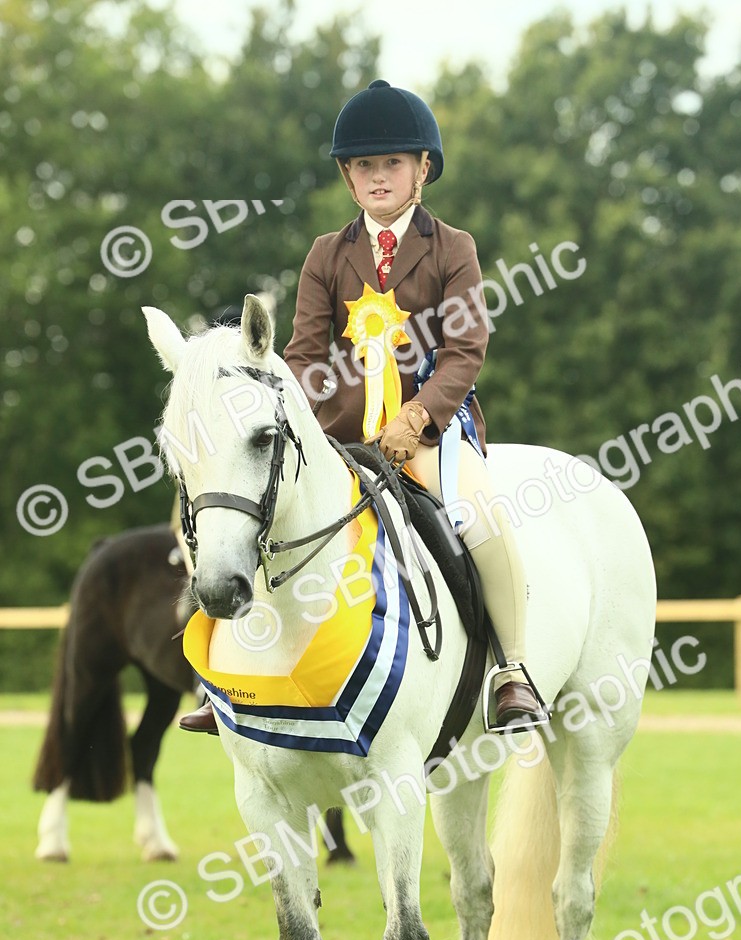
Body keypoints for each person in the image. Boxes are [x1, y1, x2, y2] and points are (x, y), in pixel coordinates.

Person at [180, 80, 549, 732]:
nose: (379, 178)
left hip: (430, 435)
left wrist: (418, 417)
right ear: (349, 178)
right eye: (365, 167)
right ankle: (231, 680)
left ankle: (512, 671)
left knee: (484, 520)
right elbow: (300, 355)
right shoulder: (328, 253)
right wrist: (306, 421)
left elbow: (466, 347)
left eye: (392, 164)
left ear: (422, 169)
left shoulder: (452, 248)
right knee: (255, 518)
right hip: (338, 438)